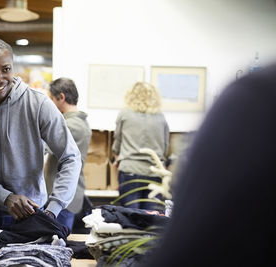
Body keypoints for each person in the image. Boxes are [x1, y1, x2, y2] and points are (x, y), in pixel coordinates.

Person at [145, 64, 276, 266]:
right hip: (154, 168)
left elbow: (192, 241)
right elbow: (164, 143)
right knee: (151, 216)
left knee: (139, 217)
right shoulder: (160, 117)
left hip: (130, 167)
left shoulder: (256, 96)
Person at [0, 38, 81, 228]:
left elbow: (71, 157)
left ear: (13, 67)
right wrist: (5, 197)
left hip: (31, 213)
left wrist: (54, 208)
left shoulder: (38, 104)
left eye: (5, 69)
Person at [112, 82, 169, 210]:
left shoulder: (124, 114)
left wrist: (117, 156)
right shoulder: (161, 118)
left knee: (130, 218)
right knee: (150, 220)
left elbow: (116, 146)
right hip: (154, 172)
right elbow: (165, 148)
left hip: (129, 171)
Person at [45, 77, 92, 231]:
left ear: (61, 97)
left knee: (55, 243)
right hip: (66, 192)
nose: (50, 103)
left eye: (51, 98)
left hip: (62, 193)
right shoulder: (80, 122)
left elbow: (44, 147)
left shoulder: (70, 125)